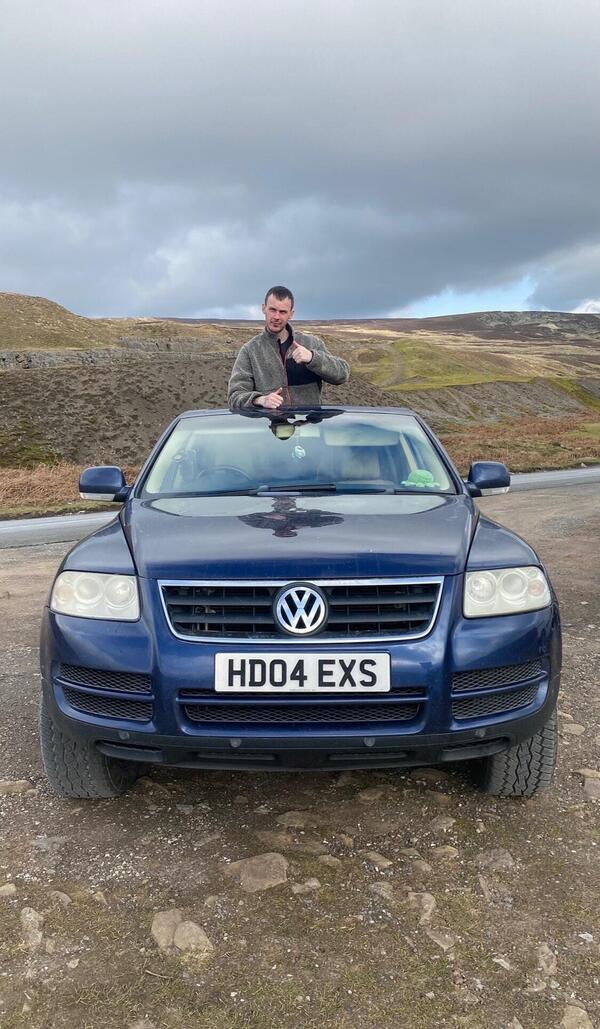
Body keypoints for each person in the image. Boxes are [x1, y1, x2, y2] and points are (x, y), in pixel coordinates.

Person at [227, 286, 350, 410]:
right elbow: (234, 397)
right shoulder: (250, 351)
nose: (276, 317)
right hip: (269, 422)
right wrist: (260, 400)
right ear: (264, 308)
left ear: (291, 314)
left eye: (283, 312)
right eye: (272, 310)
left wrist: (313, 358)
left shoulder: (311, 343)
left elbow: (342, 374)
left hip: (309, 421)